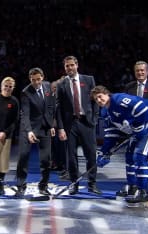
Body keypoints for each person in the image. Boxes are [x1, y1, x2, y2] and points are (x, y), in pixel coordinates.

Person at [90, 85, 148, 204]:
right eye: (96, 99)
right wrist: (104, 152)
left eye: (100, 96)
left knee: (140, 156)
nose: (99, 100)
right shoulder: (105, 112)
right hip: (138, 130)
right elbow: (111, 134)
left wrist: (138, 125)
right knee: (129, 156)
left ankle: (142, 191)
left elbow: (140, 106)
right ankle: (132, 187)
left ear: (107, 94)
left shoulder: (118, 99)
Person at [55, 55, 101, 195]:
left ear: (77, 65)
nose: (69, 68)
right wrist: (61, 127)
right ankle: (74, 183)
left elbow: (96, 100)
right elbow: (59, 108)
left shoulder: (88, 80)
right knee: (71, 156)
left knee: (91, 154)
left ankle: (92, 183)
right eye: (67, 66)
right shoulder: (61, 84)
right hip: (70, 124)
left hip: (87, 123)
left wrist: (94, 119)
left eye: (71, 65)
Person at [124, 61, 148, 197]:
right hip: (135, 129)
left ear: (147, 72)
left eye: (142, 70)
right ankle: (136, 186)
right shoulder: (129, 87)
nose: (140, 73)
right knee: (134, 157)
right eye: (137, 71)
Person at [15, 68, 55, 197]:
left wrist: (52, 125)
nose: (36, 82)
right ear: (30, 79)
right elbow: (25, 114)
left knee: (46, 159)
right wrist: (29, 131)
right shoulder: (26, 92)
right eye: (33, 80)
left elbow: (51, 107)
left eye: (38, 79)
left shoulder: (48, 87)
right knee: (23, 156)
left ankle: (43, 186)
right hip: (28, 128)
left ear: (42, 77)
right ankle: (21, 185)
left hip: (45, 128)